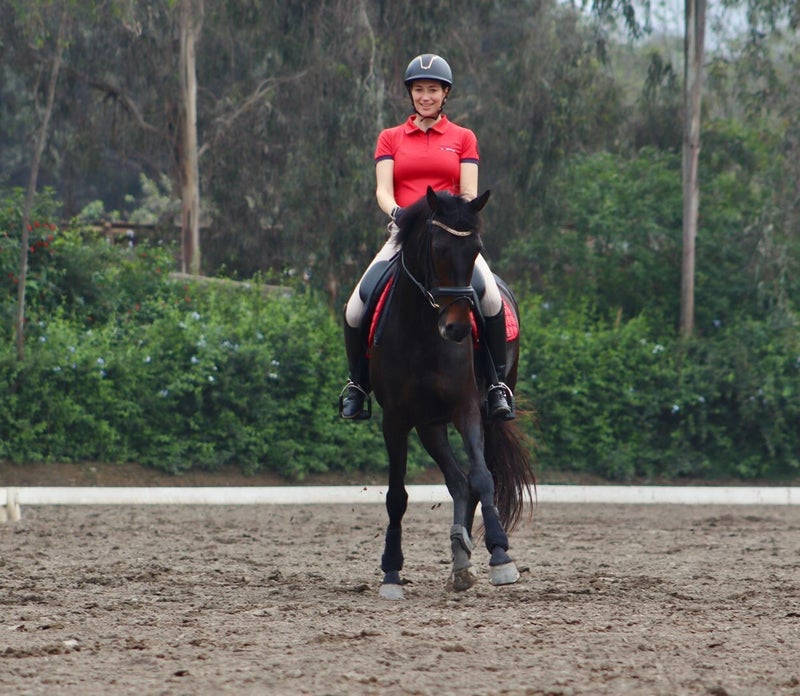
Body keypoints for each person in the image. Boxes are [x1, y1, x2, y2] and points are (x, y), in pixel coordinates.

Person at [340, 53, 513, 421]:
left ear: (445, 93)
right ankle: (357, 384)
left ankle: (497, 385)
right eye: (418, 89)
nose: (425, 96)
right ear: (410, 93)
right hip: (404, 236)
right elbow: (383, 190)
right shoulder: (390, 138)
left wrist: (451, 222)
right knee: (356, 306)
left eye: (432, 89)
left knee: (492, 300)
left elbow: (469, 193)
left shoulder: (463, 138)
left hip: (450, 238)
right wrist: (398, 213)